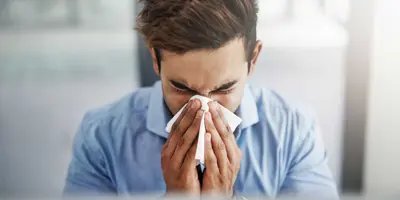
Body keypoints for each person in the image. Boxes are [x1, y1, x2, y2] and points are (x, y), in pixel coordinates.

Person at [63, 0, 338, 198]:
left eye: (225, 88)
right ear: (155, 61)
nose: (203, 109)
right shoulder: (102, 137)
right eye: (182, 88)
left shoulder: (293, 131)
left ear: (253, 59)